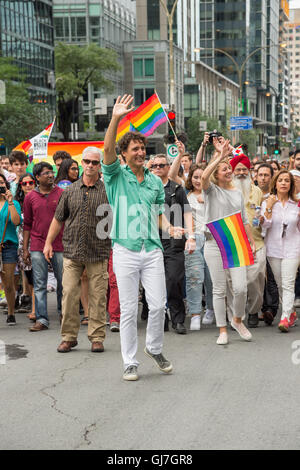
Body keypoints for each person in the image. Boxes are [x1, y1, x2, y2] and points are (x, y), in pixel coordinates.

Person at [102, 94, 181, 381]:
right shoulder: (114, 175)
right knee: (129, 310)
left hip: (152, 250)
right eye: (135, 149)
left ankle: (154, 348)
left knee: (158, 304)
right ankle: (129, 361)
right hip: (124, 249)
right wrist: (116, 118)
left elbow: (158, 213)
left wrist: (169, 228)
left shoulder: (153, 181)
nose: (140, 152)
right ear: (124, 154)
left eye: (142, 148)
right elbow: (107, 147)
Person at [44, 147, 111, 353]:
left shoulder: (108, 190)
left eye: (95, 162)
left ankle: (97, 337)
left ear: (100, 166)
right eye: (87, 161)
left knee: (98, 296)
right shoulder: (70, 191)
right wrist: (48, 243)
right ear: (81, 163)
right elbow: (58, 219)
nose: (90, 165)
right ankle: (69, 337)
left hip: (98, 251)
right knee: (69, 294)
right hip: (72, 251)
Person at [201, 139, 255, 345]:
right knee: (219, 289)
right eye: (224, 169)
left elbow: (244, 221)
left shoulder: (237, 194)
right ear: (216, 174)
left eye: (228, 168)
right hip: (213, 243)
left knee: (241, 288)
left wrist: (250, 243)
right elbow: (205, 176)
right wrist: (220, 156)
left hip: (236, 243)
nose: (228, 171)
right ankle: (222, 329)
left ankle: (237, 320)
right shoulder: (211, 191)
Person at [151, 152, 195, 334]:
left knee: (174, 279)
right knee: (154, 282)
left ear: (169, 167)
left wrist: (191, 236)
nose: (159, 168)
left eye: (162, 165)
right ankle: (159, 318)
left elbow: (187, 213)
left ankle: (178, 318)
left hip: (174, 240)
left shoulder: (177, 189)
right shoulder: (145, 188)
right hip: (152, 240)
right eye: (155, 165)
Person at [23, 162, 64, 332]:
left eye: (51, 172)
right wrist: (25, 248)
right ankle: (41, 319)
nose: (50, 175)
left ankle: (64, 314)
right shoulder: (30, 197)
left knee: (64, 282)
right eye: (46, 173)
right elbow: (27, 225)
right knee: (39, 283)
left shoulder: (62, 194)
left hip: (60, 245)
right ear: (37, 177)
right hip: (38, 245)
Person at [229, 154, 266, 328]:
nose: (242, 173)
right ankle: (236, 314)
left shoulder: (257, 191)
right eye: (238, 170)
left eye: (245, 169)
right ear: (232, 171)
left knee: (255, 279)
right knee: (234, 283)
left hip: (256, 241)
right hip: (233, 242)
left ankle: (253, 311)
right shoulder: (226, 190)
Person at [261, 170, 300, 332]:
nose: (283, 183)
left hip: (293, 247)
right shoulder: (266, 202)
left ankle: (284, 317)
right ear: (275, 183)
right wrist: (269, 207)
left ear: (291, 185)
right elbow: (264, 226)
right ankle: (290, 312)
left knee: (288, 283)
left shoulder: (297, 204)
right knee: (280, 284)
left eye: (287, 181)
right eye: (280, 180)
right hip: (274, 249)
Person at [184, 164, 214, 330]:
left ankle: (210, 309)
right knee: (195, 277)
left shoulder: (214, 194)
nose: (198, 180)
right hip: (194, 239)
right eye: (195, 177)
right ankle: (195, 313)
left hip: (212, 239)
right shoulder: (186, 195)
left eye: (201, 177)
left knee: (211, 279)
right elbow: (173, 174)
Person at [0, 173, 21, 325]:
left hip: (8, 246)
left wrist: (11, 202)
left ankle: (11, 312)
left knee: (8, 283)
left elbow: (16, 221)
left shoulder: (12, 203)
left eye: (1, 183)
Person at [14, 173, 36, 321]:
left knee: (37, 278)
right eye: (24, 183)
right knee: (29, 277)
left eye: (31, 182)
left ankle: (36, 310)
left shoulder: (41, 197)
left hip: (39, 241)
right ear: (20, 186)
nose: (28, 185)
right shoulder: (16, 203)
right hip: (22, 244)